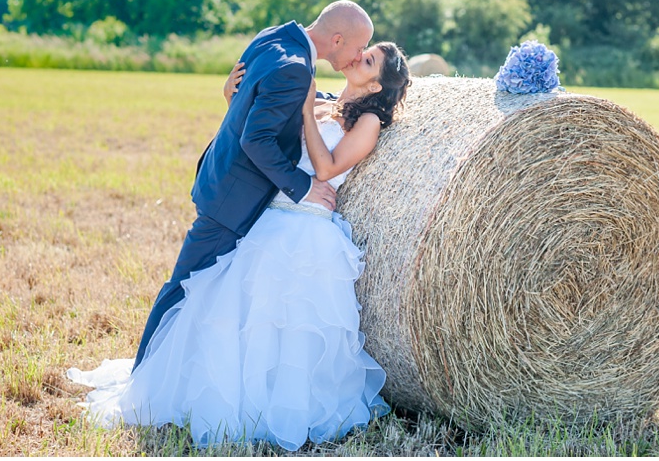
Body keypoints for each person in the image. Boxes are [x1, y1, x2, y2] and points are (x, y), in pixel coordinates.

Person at [67, 42, 412, 451]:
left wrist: (304, 109)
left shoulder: (368, 120)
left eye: (368, 60)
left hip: (308, 228)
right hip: (268, 215)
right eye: (363, 50)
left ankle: (277, 404)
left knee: (288, 325)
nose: (357, 56)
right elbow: (259, 132)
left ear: (376, 84)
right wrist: (233, 96)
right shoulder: (323, 99)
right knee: (233, 311)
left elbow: (326, 167)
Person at [130, 1, 373, 372]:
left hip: (223, 178)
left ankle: (185, 368)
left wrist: (232, 97)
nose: (359, 56)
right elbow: (257, 140)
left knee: (211, 291)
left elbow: (258, 102)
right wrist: (304, 187)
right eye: (358, 48)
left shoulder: (275, 36)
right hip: (233, 195)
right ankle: (144, 378)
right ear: (337, 39)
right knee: (185, 285)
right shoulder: (295, 69)